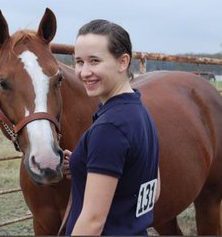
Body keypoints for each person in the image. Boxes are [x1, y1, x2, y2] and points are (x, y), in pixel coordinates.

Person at [62, 19, 160, 236]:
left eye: (94, 61)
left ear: (123, 62)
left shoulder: (110, 128)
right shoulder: (138, 111)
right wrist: (83, 163)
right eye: (79, 62)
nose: (84, 72)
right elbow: (153, 190)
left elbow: (92, 223)